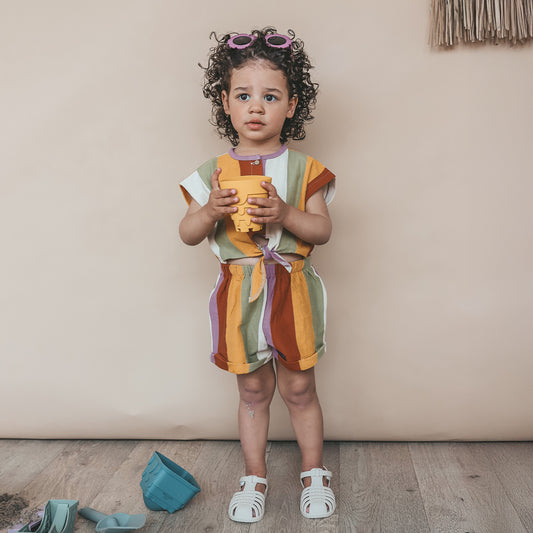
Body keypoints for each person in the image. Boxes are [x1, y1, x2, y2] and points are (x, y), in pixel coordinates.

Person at [179, 27, 336, 523]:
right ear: (225, 102)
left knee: (299, 389)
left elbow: (322, 230)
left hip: (291, 289)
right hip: (239, 291)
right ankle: (254, 477)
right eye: (243, 95)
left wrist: (286, 214)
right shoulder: (212, 172)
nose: (256, 107)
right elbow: (187, 233)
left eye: (270, 96)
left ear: (291, 106)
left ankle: (313, 473)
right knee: (251, 391)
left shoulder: (305, 168)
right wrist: (210, 211)